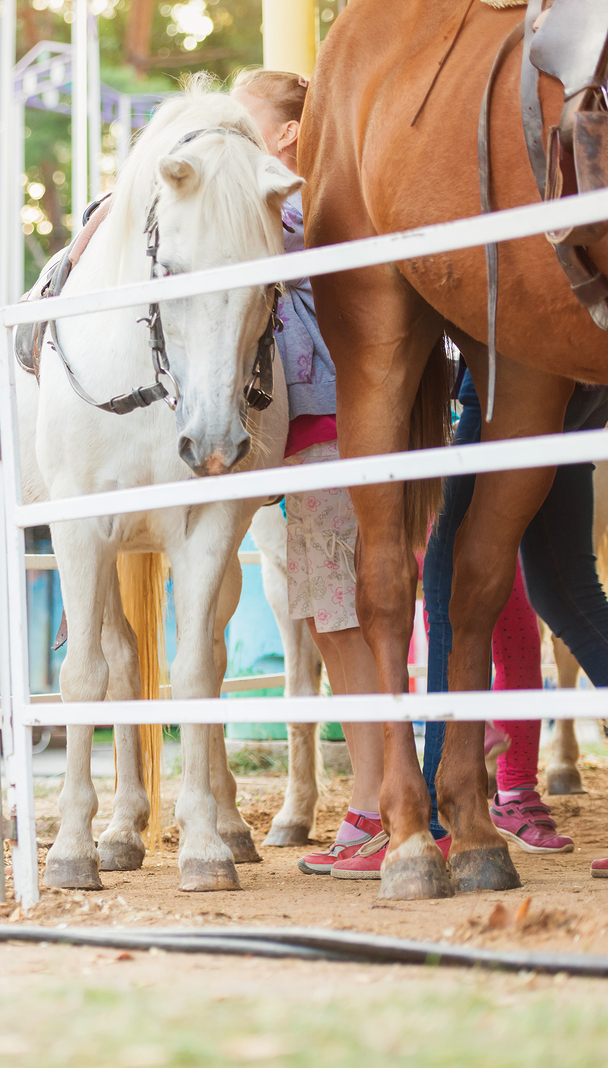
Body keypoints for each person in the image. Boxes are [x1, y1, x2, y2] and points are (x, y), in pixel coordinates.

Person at [232, 69, 390, 879]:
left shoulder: (293, 204)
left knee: (343, 621)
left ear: (287, 133)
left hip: (328, 430)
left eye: (242, 116)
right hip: (312, 436)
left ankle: (377, 808)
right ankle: (380, 801)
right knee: (338, 621)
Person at [420, 365, 608, 870]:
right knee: (567, 592)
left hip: (511, 378)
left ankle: (436, 817)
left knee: (448, 576)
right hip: (588, 383)